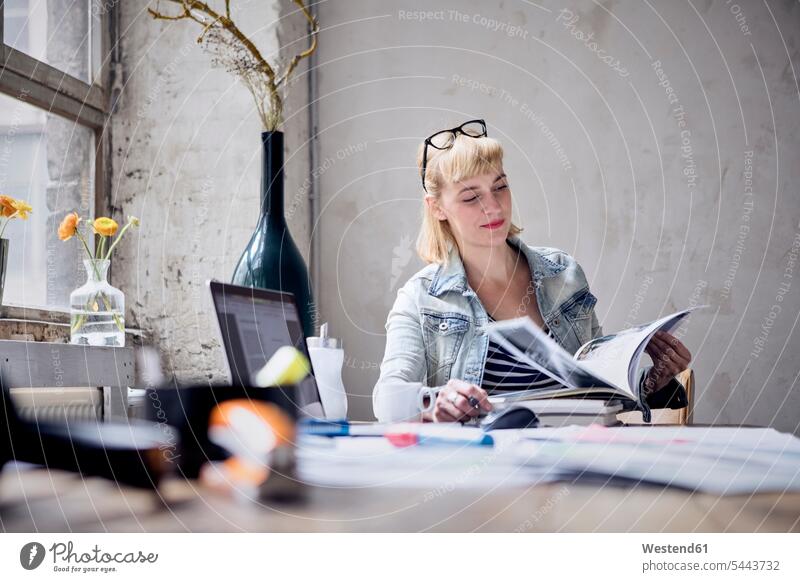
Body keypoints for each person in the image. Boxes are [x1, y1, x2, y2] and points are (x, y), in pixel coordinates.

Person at [373, 119, 691, 423]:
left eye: (500, 187)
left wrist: (654, 383)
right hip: (480, 471)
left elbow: (600, 392)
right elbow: (386, 399)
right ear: (437, 207)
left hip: (573, 463)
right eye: (471, 197)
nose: (493, 207)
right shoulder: (421, 298)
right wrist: (433, 401)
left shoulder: (563, 274)